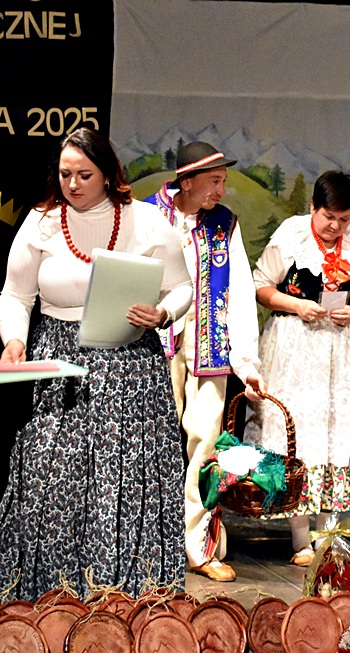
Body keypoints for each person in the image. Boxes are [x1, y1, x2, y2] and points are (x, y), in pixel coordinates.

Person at [0, 127, 194, 599]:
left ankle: (126, 597)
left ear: (108, 174)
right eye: (64, 174)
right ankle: (51, 596)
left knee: (121, 480)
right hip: (60, 366)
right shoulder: (42, 222)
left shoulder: (146, 221)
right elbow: (16, 295)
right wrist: (13, 339)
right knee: (54, 478)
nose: (72, 184)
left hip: (130, 367)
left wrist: (163, 313)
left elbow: (181, 287)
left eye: (84, 175)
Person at [243, 170, 350, 566]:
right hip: (297, 347)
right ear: (313, 208)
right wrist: (297, 304)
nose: (336, 226)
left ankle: (329, 536)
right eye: (328, 217)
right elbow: (261, 285)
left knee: (337, 435)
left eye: (344, 219)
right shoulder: (292, 235)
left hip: (343, 350)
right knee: (298, 434)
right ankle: (301, 538)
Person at [146, 142, 266, 582]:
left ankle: (199, 546)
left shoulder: (224, 223)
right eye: (214, 181)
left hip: (209, 346)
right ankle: (150, 544)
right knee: (154, 444)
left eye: (223, 181)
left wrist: (246, 362)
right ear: (187, 181)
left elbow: (240, 291)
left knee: (206, 445)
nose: (221, 190)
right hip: (154, 345)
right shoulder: (147, 215)